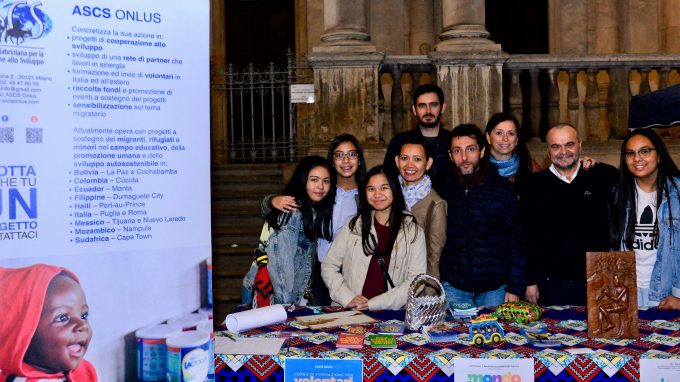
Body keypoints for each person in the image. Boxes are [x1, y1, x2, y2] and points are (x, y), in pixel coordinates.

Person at [261, 134, 366, 305]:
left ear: (360, 159)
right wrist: (271, 201)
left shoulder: (368, 195)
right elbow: (286, 211)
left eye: (352, 154)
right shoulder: (322, 192)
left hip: (350, 272)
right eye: (339, 155)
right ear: (332, 161)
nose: (346, 160)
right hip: (316, 269)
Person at [523, 123, 618, 306]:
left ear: (580, 144)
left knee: (599, 335)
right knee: (555, 334)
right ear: (548, 150)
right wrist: (530, 281)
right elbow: (527, 237)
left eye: (569, 144)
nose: (563, 151)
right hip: (551, 284)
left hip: (600, 281)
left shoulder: (603, 175)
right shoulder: (533, 186)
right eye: (556, 146)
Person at [435, 124, 527, 308]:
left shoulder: (503, 189)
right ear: (450, 155)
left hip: (495, 289)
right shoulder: (442, 189)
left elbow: (518, 242)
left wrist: (516, 287)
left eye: (470, 149)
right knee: (453, 336)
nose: (464, 157)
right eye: (457, 151)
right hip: (454, 288)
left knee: (497, 337)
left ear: (482, 151)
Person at [321, 165, 426, 310]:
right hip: (351, 311)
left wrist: (373, 304)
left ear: (395, 190)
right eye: (371, 189)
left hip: (391, 315)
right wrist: (347, 297)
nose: (377, 194)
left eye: (384, 188)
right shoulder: (354, 226)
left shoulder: (413, 233)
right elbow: (328, 265)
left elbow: (416, 281)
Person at [243, 155, 335, 306]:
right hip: (269, 295)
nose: (321, 186)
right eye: (314, 179)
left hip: (276, 293)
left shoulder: (311, 209)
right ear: (302, 179)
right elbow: (281, 267)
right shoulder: (293, 212)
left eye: (326, 181)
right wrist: (285, 306)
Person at [616, 128, 680, 309]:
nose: (637, 158)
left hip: (666, 296)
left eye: (645, 151)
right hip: (625, 294)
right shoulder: (617, 194)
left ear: (659, 155)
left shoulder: (677, 193)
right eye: (630, 153)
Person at [0, 264, 98, 382]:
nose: (82, 325)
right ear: (22, 338)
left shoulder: (85, 370)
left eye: (84, 315)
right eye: (62, 318)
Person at [393, 135, 447, 279]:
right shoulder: (388, 195)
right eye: (405, 158)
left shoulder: (435, 204)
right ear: (397, 161)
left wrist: (430, 292)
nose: (410, 165)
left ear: (428, 163)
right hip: (389, 279)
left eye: (417, 159)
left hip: (419, 282)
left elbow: (434, 257)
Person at [383, 83, 452, 184]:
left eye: (433, 105)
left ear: (443, 107)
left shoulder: (453, 142)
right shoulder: (399, 142)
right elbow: (388, 180)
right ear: (414, 110)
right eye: (422, 106)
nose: (428, 111)